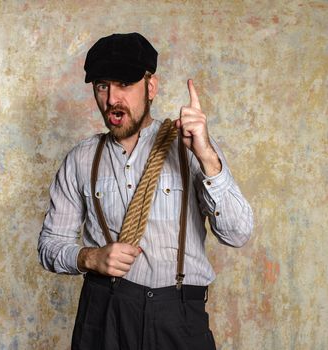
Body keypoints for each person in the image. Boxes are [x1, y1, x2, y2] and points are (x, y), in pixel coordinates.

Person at [38, 32, 253, 350]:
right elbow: (49, 245)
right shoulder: (80, 159)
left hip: (176, 317)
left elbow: (238, 233)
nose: (112, 99)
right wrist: (90, 257)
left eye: (124, 84)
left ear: (150, 87)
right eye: (102, 85)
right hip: (101, 314)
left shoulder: (191, 146)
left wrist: (206, 155)